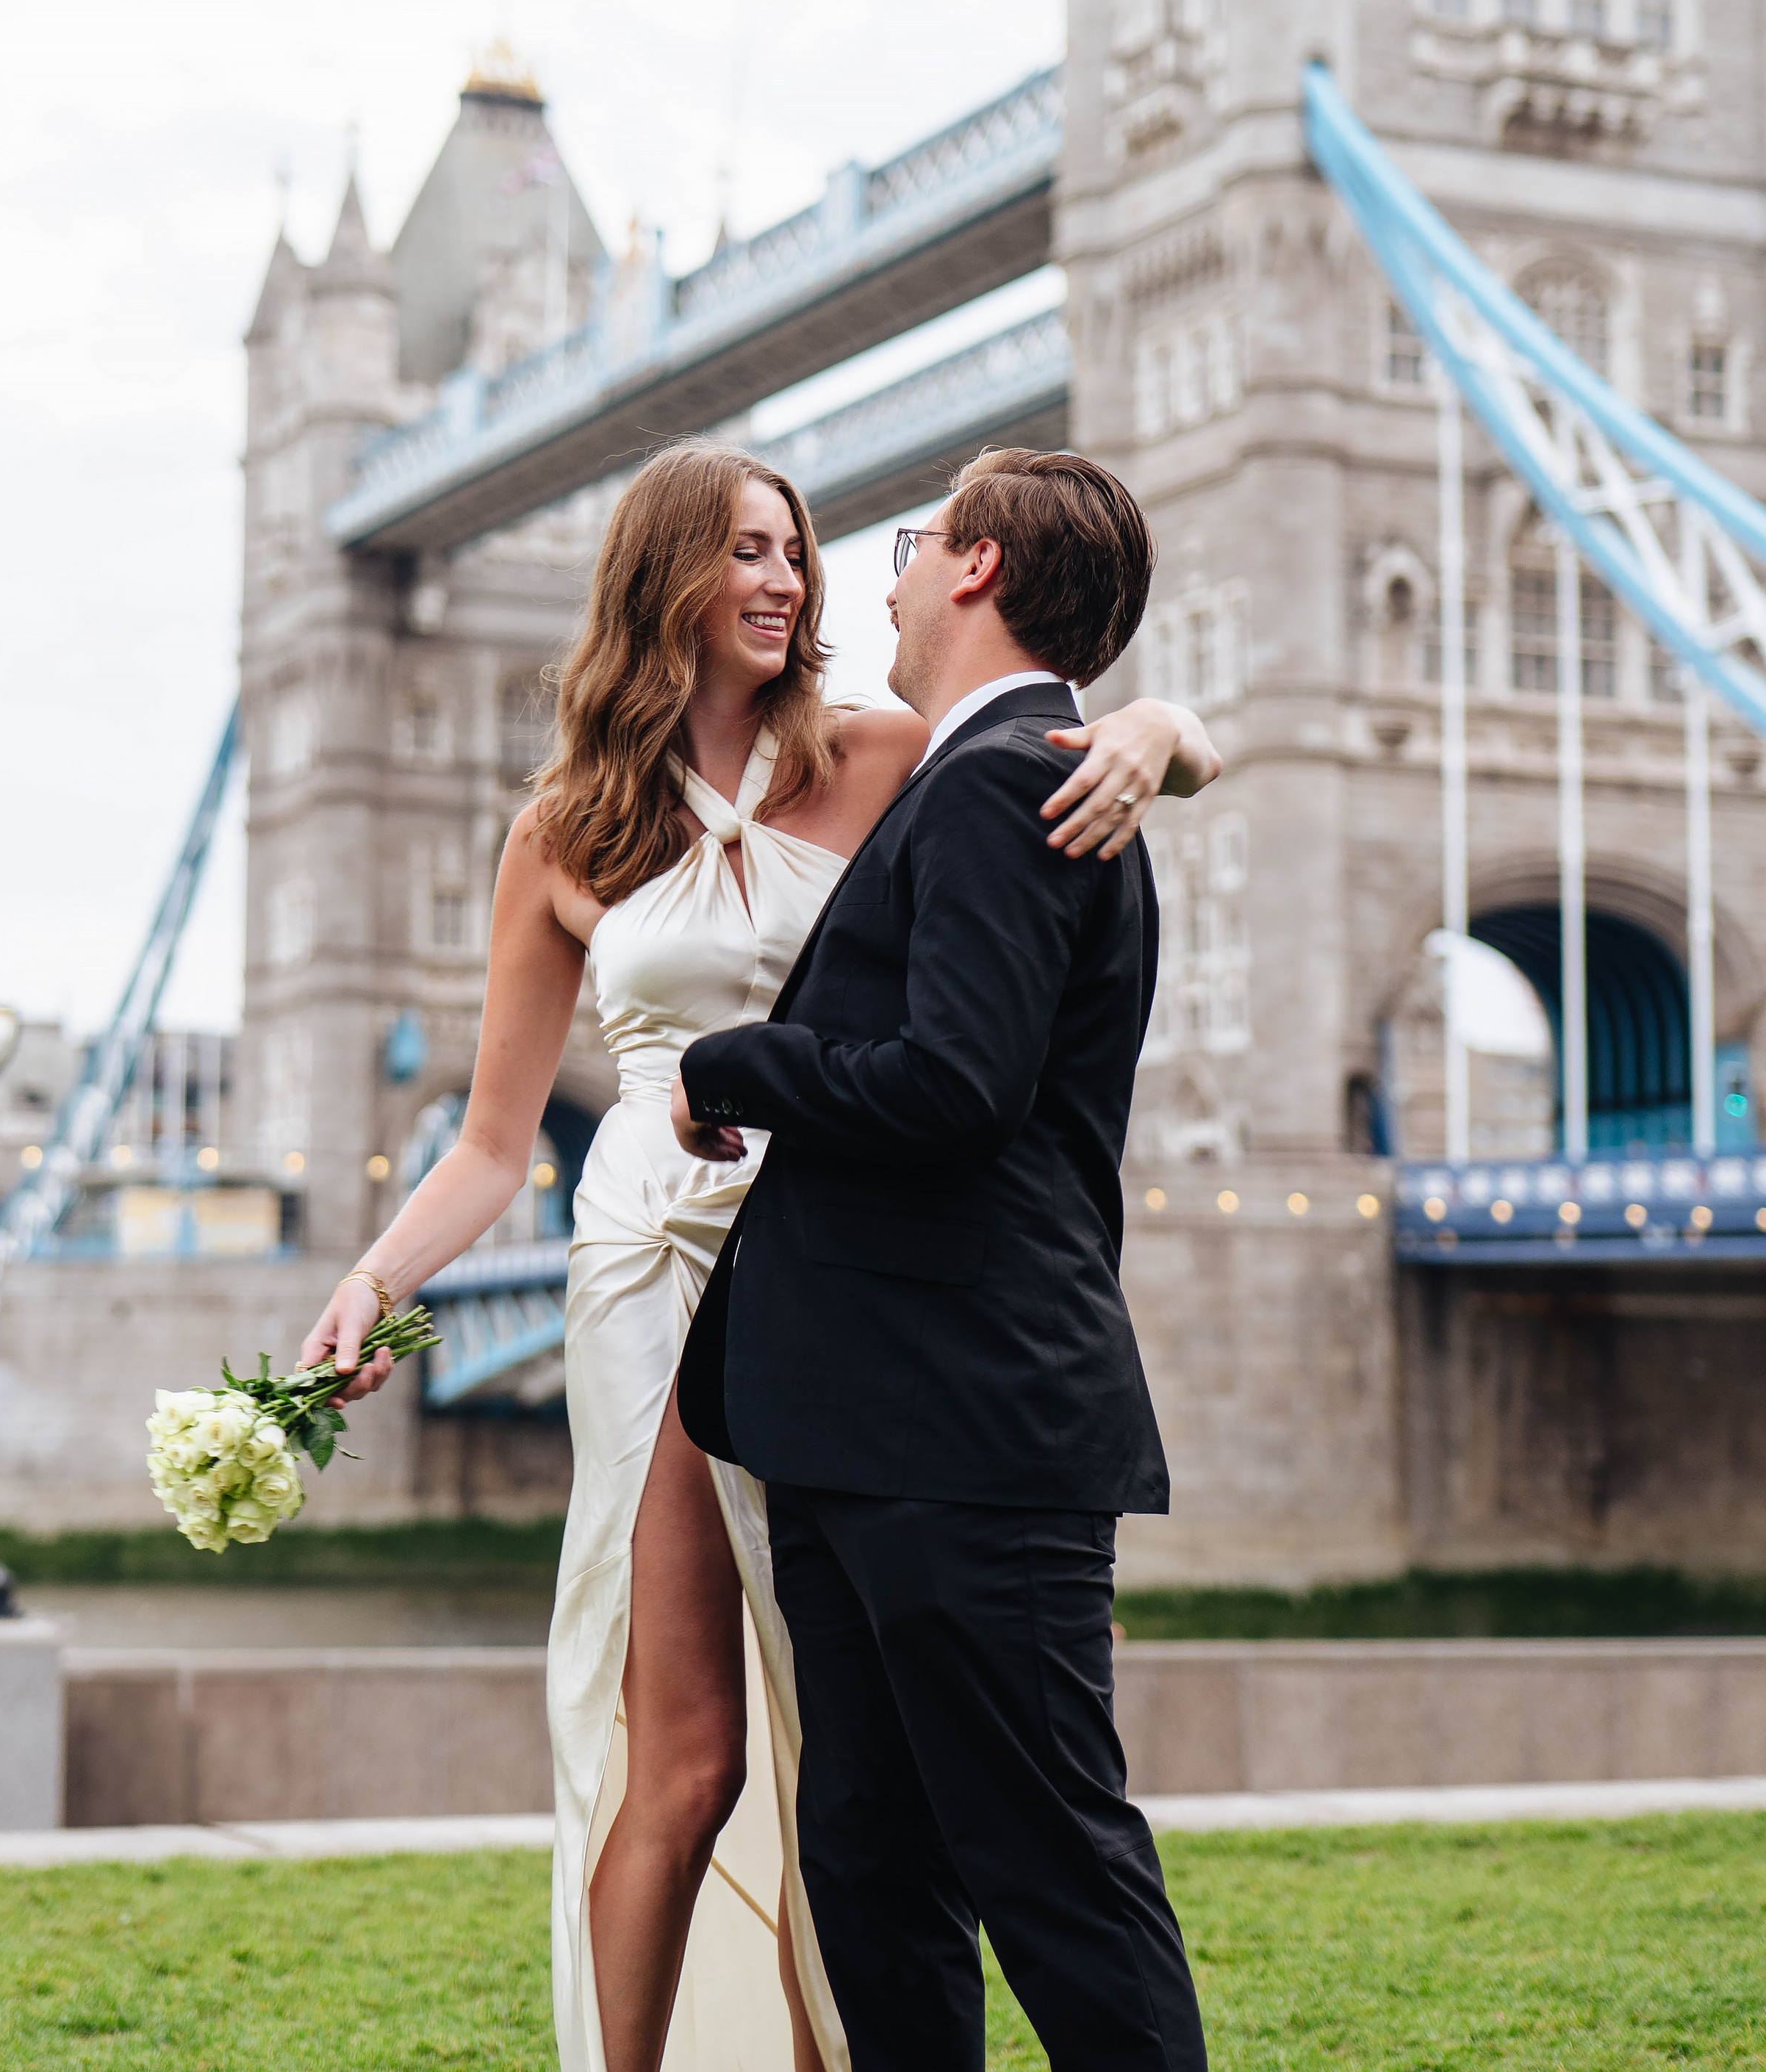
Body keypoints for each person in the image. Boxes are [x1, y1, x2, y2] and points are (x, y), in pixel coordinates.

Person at [297, 441, 1220, 2072]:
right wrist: (371, 1286)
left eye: (797, 549)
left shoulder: (889, 754)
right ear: (661, 574)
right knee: (694, 1753)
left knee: (860, 1761)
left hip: (852, 1265)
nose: (788, 579)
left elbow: (1035, 744)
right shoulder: (560, 834)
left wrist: (1160, 728)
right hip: (653, 1269)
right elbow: (492, 1143)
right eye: (745, 549)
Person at [672, 447, 1212, 2072]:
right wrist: (1171, 726)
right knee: (874, 1860)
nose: (887, 576)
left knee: (1047, 1861)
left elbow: (956, 1087)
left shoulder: (1002, 780)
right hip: (871, 1425)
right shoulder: (1008, 766)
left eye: (914, 544)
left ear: (974, 568)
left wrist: (735, 1063)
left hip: (967, 1430)